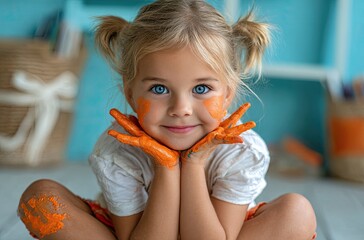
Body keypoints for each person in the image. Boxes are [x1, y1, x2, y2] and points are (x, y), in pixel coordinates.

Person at [17, 0, 317, 239]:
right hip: (139, 233)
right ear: (130, 93)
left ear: (228, 94)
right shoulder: (117, 150)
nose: (181, 108)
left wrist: (194, 164)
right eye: (159, 89)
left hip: (221, 233)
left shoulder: (242, 149)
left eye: (201, 89)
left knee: (297, 211)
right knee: (40, 197)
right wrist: (167, 167)